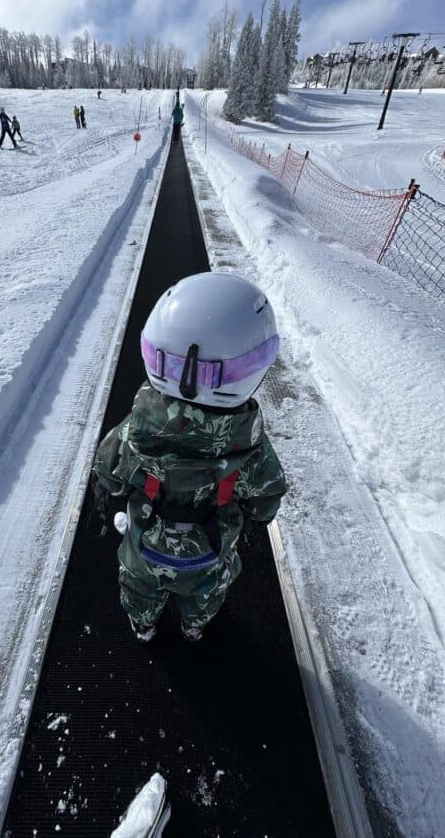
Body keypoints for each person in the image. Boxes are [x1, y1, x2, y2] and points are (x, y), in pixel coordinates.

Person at [93, 272, 286, 643]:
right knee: (207, 593)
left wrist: (107, 489)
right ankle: (194, 625)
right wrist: (257, 517)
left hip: (144, 547)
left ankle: (143, 623)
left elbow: (108, 470)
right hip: (210, 552)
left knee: (139, 588)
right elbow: (266, 499)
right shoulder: (253, 453)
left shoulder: (132, 436)